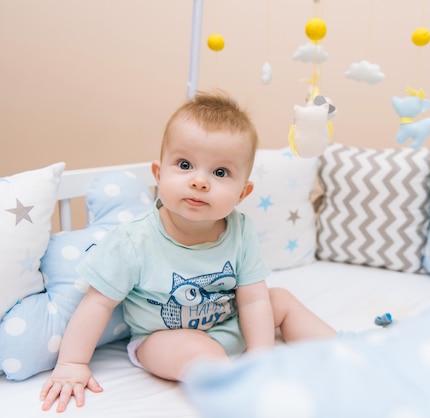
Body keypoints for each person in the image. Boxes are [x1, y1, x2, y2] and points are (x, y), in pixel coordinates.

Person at [40, 90, 337, 413]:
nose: (199, 181)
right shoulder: (133, 240)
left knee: (279, 300)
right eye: (184, 165)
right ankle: (237, 390)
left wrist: (260, 354)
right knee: (195, 348)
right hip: (163, 340)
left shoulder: (241, 231)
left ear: (243, 192)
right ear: (158, 174)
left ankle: (343, 351)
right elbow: (97, 302)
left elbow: (252, 299)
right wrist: (71, 363)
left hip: (230, 324)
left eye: (220, 173)